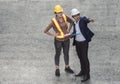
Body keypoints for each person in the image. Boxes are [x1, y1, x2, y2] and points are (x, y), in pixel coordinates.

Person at [44, 5, 74, 77]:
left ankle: (67, 67)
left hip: (66, 39)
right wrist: (53, 35)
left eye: (61, 11)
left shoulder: (64, 16)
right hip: (58, 41)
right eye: (59, 12)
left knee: (66, 53)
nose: (60, 13)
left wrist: (68, 30)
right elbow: (45, 31)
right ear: (55, 13)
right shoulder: (53, 21)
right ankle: (57, 69)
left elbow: (72, 22)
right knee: (58, 54)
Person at [70, 8, 94, 82]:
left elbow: (86, 20)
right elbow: (75, 31)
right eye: (75, 16)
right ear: (73, 17)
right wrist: (71, 35)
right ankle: (82, 71)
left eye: (78, 15)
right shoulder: (74, 23)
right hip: (77, 42)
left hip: (84, 42)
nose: (77, 16)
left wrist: (90, 20)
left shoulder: (82, 20)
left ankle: (87, 74)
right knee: (80, 57)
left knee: (84, 58)